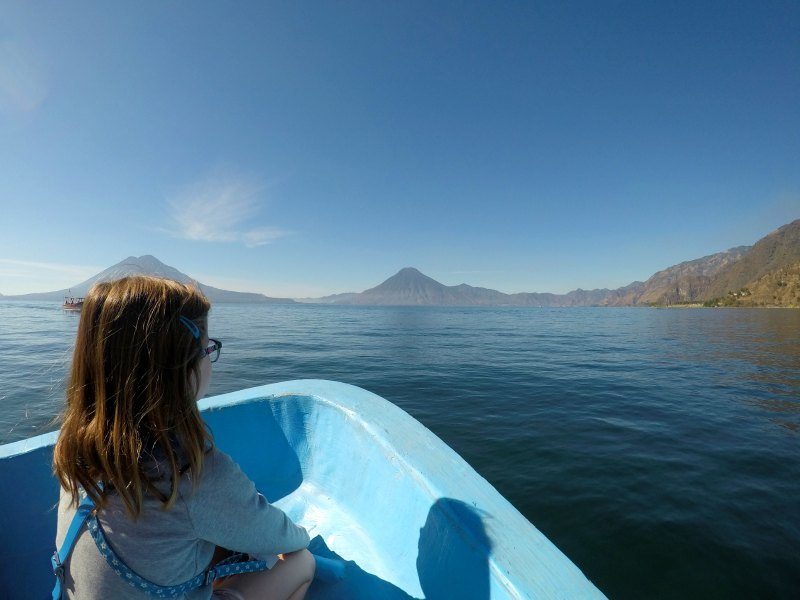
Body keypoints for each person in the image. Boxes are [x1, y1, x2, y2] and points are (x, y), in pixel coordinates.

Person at [52, 276, 315, 600]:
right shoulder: (193, 475)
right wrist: (296, 538)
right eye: (208, 348)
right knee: (302, 563)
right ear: (181, 369)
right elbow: (286, 538)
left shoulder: (74, 448)